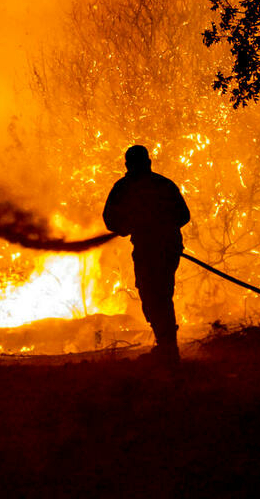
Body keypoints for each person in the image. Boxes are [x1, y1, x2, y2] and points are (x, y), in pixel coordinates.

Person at [103, 144, 191, 365]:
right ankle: (167, 345)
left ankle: (168, 349)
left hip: (159, 248)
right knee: (156, 295)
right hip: (158, 248)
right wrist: (130, 226)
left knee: (156, 295)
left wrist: (149, 226)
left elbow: (182, 215)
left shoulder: (125, 188)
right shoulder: (162, 184)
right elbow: (111, 220)